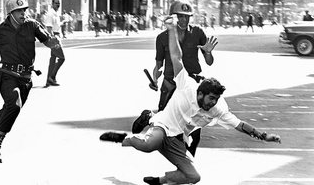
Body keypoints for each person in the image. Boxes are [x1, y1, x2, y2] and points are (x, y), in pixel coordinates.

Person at [100, 15, 281, 185]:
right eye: (211, 99)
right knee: (149, 144)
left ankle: (159, 181)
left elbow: (240, 125)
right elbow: (176, 57)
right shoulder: (187, 86)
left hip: (178, 138)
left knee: (194, 177)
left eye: (216, 99)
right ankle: (125, 137)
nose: (213, 103)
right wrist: (171, 29)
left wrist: (264, 136)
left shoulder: (218, 108)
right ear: (200, 94)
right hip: (163, 128)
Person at [0, 0, 60, 163]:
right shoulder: (0, 28)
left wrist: (54, 43)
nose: (23, 14)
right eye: (19, 11)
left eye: (24, 10)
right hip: (6, 75)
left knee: (10, 108)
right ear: (11, 13)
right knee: (14, 104)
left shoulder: (32, 25)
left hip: (26, 78)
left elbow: (47, 41)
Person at [133, 0, 217, 158]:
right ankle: (148, 116)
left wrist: (208, 52)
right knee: (163, 122)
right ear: (173, 17)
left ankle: (189, 161)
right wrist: (155, 79)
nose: (184, 20)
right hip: (171, 82)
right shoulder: (162, 38)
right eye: (180, 16)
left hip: (193, 85)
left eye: (187, 17)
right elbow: (158, 65)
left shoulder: (198, 33)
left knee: (195, 129)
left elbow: (209, 62)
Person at [44, 0, 66, 86]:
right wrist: (53, 40)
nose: (58, 5)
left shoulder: (56, 13)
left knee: (53, 59)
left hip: (57, 36)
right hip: (54, 38)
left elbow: (55, 25)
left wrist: (62, 23)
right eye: (56, 3)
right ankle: (51, 77)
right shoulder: (50, 14)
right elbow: (49, 28)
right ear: (52, 4)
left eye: (59, 3)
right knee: (62, 58)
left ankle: (49, 79)